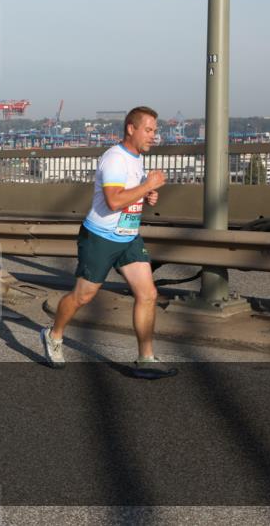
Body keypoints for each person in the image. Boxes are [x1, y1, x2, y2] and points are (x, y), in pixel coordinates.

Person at [40, 106, 175, 378]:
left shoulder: (137, 159)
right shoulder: (115, 159)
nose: (153, 136)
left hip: (128, 237)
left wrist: (146, 195)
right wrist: (147, 186)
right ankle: (53, 335)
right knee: (83, 296)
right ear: (131, 128)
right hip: (100, 237)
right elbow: (113, 201)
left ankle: (146, 359)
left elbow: (129, 194)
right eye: (148, 130)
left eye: (155, 131)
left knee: (148, 294)